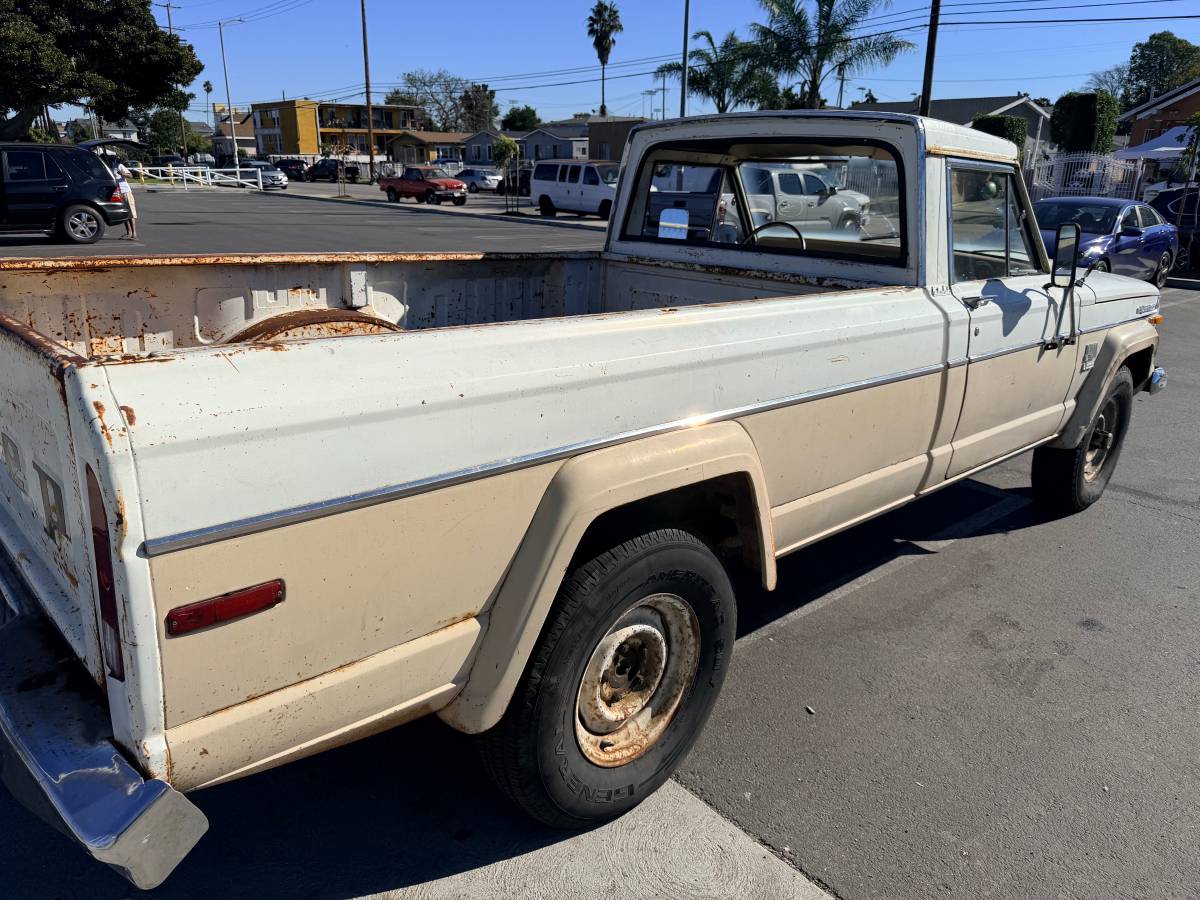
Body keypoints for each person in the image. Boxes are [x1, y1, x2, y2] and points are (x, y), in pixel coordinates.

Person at [113, 160, 138, 240]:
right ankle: (128, 233)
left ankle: (134, 233)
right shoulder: (107, 168)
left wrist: (122, 174)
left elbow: (130, 175)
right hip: (117, 193)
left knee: (131, 212)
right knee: (123, 213)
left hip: (125, 191)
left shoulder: (119, 166)